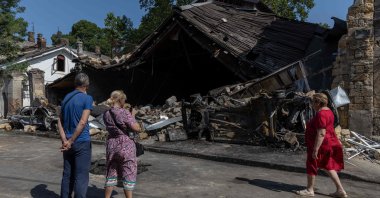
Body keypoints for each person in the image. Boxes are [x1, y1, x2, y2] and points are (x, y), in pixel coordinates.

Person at [296, 93, 347, 197]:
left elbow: (321, 132)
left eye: (313, 102)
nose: (312, 105)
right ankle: (340, 190)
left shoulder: (321, 114)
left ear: (318, 103)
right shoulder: (329, 112)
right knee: (327, 166)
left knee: (311, 164)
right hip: (328, 142)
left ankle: (310, 190)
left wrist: (315, 149)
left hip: (321, 144)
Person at [58, 73, 93, 198]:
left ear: (75, 84)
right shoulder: (87, 98)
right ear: (86, 85)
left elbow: (59, 121)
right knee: (81, 176)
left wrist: (65, 140)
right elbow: (83, 122)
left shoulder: (66, 98)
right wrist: (72, 140)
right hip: (81, 141)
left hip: (66, 142)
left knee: (67, 174)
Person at [103, 90, 142, 198]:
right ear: (120, 100)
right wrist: (132, 115)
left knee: (111, 171)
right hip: (125, 145)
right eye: (124, 99)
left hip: (111, 145)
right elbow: (136, 128)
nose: (125, 102)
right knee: (128, 172)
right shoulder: (124, 112)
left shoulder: (106, 113)